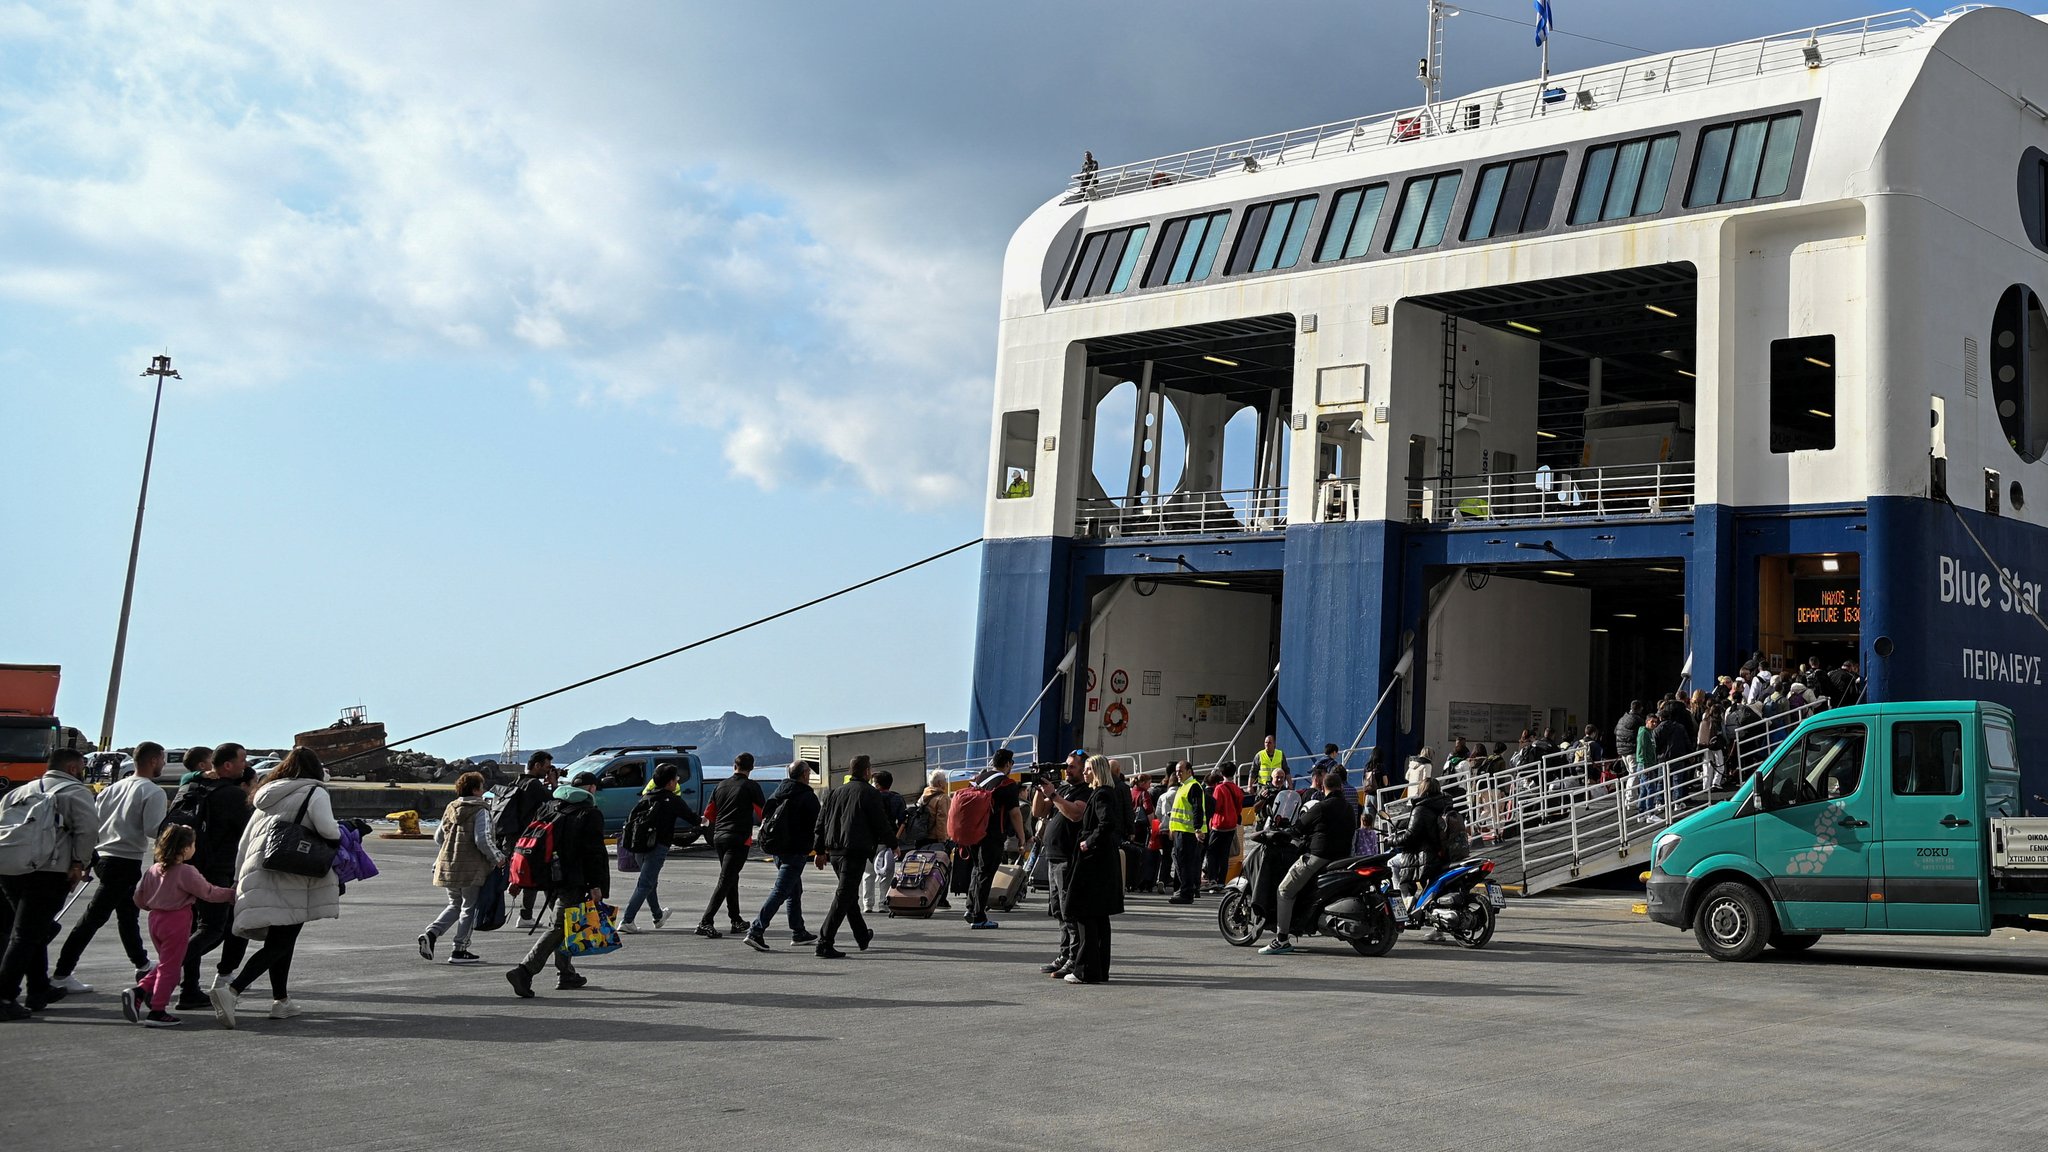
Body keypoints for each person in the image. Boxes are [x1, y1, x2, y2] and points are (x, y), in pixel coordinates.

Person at [210, 746, 343, 1028]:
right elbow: (329, 830)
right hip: (291, 874)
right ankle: (231, 990)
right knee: (282, 940)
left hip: (257, 872)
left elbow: (245, 841)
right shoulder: (314, 792)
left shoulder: (265, 795)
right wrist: (344, 829)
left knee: (281, 939)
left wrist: (237, 879)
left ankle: (281, 1001)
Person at [52, 739, 169, 993]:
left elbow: (93, 824)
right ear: (153, 760)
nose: (163, 764)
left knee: (127, 915)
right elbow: (153, 829)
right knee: (94, 917)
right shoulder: (153, 792)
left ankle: (141, 963)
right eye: (162, 759)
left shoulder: (111, 789)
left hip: (102, 857)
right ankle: (62, 973)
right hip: (125, 860)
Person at [0, 748, 97, 1022]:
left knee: (34, 930)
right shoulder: (75, 792)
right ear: (72, 767)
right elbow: (88, 830)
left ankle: (39, 988)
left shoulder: (21, 791)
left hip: (10, 868)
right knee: (26, 934)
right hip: (48, 870)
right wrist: (79, 863)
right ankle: (5, 995)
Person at [505, 769, 609, 998]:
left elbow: (530, 842)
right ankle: (525, 970)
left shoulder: (550, 806)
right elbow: (592, 852)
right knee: (560, 927)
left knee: (565, 925)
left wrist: (518, 879)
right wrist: (595, 884)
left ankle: (566, 974)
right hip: (573, 880)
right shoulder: (589, 813)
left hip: (547, 878)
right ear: (592, 789)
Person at [170, 742, 255, 1011]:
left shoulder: (193, 786)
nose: (245, 764)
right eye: (242, 760)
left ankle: (189, 990)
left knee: (196, 928)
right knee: (212, 930)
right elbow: (250, 833)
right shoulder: (231, 796)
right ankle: (157, 975)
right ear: (227, 765)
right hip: (217, 870)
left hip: (189, 867)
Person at [126, 824, 234, 1028]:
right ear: (185, 848)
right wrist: (231, 894)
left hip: (155, 920)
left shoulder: (153, 869)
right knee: (171, 969)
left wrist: (150, 905)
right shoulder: (186, 871)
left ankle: (140, 992)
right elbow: (208, 893)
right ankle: (157, 1009)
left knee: (167, 963)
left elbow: (139, 897)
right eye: (193, 844)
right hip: (176, 921)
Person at [1258, 768, 1359, 956]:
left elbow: (1298, 827)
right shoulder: (1348, 808)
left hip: (1318, 857)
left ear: (1322, 787)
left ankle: (1281, 939)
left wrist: (1285, 833)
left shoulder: (1320, 807)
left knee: (1285, 890)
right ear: (1341, 788)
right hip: (1343, 858)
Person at [1046, 755, 1128, 982]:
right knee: (1099, 919)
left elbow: (1106, 823)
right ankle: (1098, 969)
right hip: (1101, 862)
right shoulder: (1105, 793)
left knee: (1085, 915)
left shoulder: (1101, 794)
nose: (1085, 773)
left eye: (1089, 769)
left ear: (1098, 771)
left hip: (1093, 862)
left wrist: (1088, 842)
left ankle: (1085, 970)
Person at [812, 754, 893, 959]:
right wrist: (894, 844)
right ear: (867, 772)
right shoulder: (870, 793)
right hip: (854, 851)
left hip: (835, 852)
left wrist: (820, 851)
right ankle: (824, 942)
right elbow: (880, 823)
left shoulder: (834, 793)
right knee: (843, 896)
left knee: (848, 895)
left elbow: (820, 824)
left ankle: (862, 935)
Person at [419, 771, 503, 964]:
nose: (483, 791)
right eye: (481, 787)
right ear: (475, 789)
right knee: (469, 907)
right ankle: (459, 949)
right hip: (471, 868)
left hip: (449, 865)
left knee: (455, 904)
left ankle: (431, 933)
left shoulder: (451, 807)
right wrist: (498, 857)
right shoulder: (481, 809)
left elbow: (439, 837)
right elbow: (482, 839)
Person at [745, 760, 822, 952]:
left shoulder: (779, 792)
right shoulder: (807, 796)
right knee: (781, 891)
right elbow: (819, 826)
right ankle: (756, 930)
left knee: (794, 890)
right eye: (809, 773)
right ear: (804, 775)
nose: (810, 776)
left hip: (778, 849)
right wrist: (821, 850)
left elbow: (765, 814)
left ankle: (798, 932)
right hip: (796, 850)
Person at [619, 762, 696, 934]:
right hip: (658, 845)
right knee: (645, 884)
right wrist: (705, 823)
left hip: (639, 846)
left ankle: (658, 915)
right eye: (676, 779)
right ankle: (627, 920)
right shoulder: (672, 800)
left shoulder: (646, 797)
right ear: (670, 782)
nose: (677, 782)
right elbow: (692, 818)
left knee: (650, 882)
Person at [696, 753, 765, 938]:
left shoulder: (720, 785)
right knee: (726, 879)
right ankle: (705, 921)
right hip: (738, 838)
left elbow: (709, 814)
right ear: (751, 768)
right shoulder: (751, 786)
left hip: (719, 837)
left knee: (731, 878)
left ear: (734, 765)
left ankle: (736, 919)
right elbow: (762, 813)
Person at [1034, 754, 1090, 976]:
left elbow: (1076, 814)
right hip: (1054, 857)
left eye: (1073, 768)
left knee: (1069, 911)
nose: (1068, 771)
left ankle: (1074, 959)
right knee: (1058, 910)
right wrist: (1041, 789)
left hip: (1068, 857)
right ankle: (1065, 953)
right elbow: (1039, 812)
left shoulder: (1086, 791)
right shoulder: (1065, 790)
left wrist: (1054, 795)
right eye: (1067, 767)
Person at [963, 750, 1026, 930]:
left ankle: (971, 907)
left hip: (973, 832)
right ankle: (979, 916)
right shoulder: (1006, 784)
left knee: (977, 869)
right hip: (992, 835)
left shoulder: (977, 779)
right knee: (986, 873)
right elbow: (1015, 813)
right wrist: (1022, 837)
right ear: (1007, 764)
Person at [503, 751, 559, 929]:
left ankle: (523, 915)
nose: (548, 770)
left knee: (521, 873)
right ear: (537, 765)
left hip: (512, 836)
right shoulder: (534, 785)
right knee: (533, 873)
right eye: (547, 767)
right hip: (528, 838)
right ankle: (527, 915)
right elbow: (555, 803)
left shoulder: (518, 781)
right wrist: (554, 784)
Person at [1389, 777, 1451, 902]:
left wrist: (1392, 840)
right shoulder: (1445, 804)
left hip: (1424, 854)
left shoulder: (1420, 809)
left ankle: (1404, 901)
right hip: (1441, 852)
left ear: (1422, 790)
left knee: (1392, 863)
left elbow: (1409, 836)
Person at [861, 770, 908, 914]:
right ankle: (884, 904)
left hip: (870, 840)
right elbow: (903, 821)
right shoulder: (897, 798)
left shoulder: (870, 797)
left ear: (876, 783)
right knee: (886, 873)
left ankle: (868, 904)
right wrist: (896, 839)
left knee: (868, 874)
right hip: (888, 842)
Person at [1165, 760, 1209, 905]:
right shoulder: (1183, 786)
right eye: (1176, 771)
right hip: (1181, 831)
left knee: (1186, 863)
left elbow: (1197, 809)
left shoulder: (1193, 786)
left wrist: (1197, 829)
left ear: (1189, 771)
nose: (1178, 774)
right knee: (1180, 860)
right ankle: (1186, 889)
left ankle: (1186, 892)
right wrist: (1172, 828)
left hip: (1188, 832)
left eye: (1180, 771)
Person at [1203, 767, 1244, 890]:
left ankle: (1212, 879)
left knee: (1212, 853)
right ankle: (1221, 881)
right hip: (1231, 825)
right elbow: (1239, 808)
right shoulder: (1237, 789)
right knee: (1224, 854)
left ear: (1221, 774)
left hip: (1219, 824)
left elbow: (1216, 807)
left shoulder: (1219, 788)